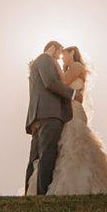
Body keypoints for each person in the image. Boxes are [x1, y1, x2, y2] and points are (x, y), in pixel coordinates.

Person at [46, 45, 107, 195]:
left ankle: (83, 184)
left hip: (75, 110)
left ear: (72, 53)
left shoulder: (77, 66)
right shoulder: (68, 69)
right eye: (60, 58)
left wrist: (54, 64)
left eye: (63, 56)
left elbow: (65, 83)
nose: (62, 60)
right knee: (67, 146)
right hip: (67, 111)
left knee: (77, 142)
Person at [25, 41, 84, 195]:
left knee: (35, 159)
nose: (58, 59)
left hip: (38, 116)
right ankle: (42, 194)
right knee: (47, 155)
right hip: (49, 114)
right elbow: (51, 83)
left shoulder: (38, 64)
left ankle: (30, 195)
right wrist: (73, 94)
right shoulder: (45, 59)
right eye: (58, 54)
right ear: (53, 48)